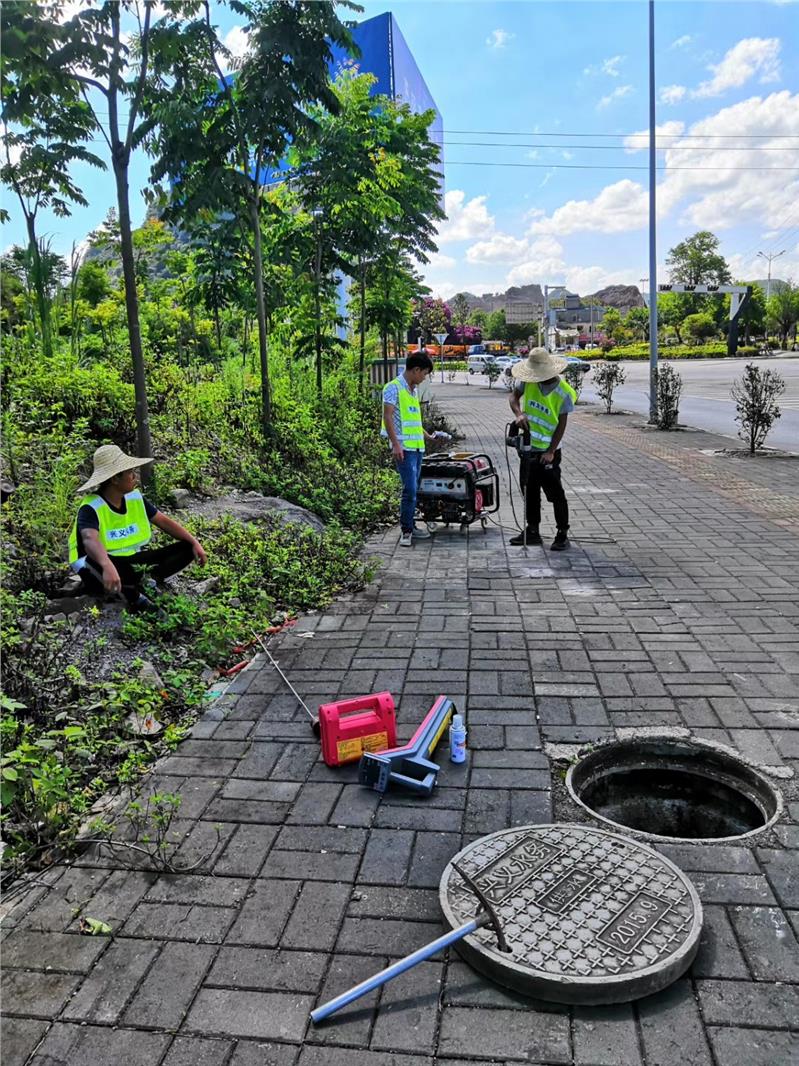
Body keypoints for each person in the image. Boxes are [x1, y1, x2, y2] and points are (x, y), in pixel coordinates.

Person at [68, 444, 207, 610]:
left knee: (186, 547)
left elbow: (163, 521)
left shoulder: (135, 498)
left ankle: (146, 582)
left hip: (129, 560)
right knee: (95, 565)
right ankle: (132, 595)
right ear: (115, 479)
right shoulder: (91, 506)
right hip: (97, 562)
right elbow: (89, 539)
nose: (135, 477)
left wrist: (194, 542)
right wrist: (107, 565)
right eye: (130, 473)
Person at [507, 348, 576, 551]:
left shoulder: (563, 392)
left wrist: (551, 451)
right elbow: (513, 398)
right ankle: (533, 530)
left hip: (549, 452)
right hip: (528, 448)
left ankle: (562, 533)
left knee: (555, 493)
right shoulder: (528, 381)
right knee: (529, 490)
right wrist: (519, 414)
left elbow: (562, 425)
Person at [382, 351, 449, 547]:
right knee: (409, 489)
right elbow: (388, 417)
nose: (424, 378)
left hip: (417, 448)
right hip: (404, 449)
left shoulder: (413, 391)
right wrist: (395, 444)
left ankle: (411, 525)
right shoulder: (392, 388)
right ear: (416, 370)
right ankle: (407, 530)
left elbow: (412, 420)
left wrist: (428, 436)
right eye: (424, 374)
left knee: (414, 488)